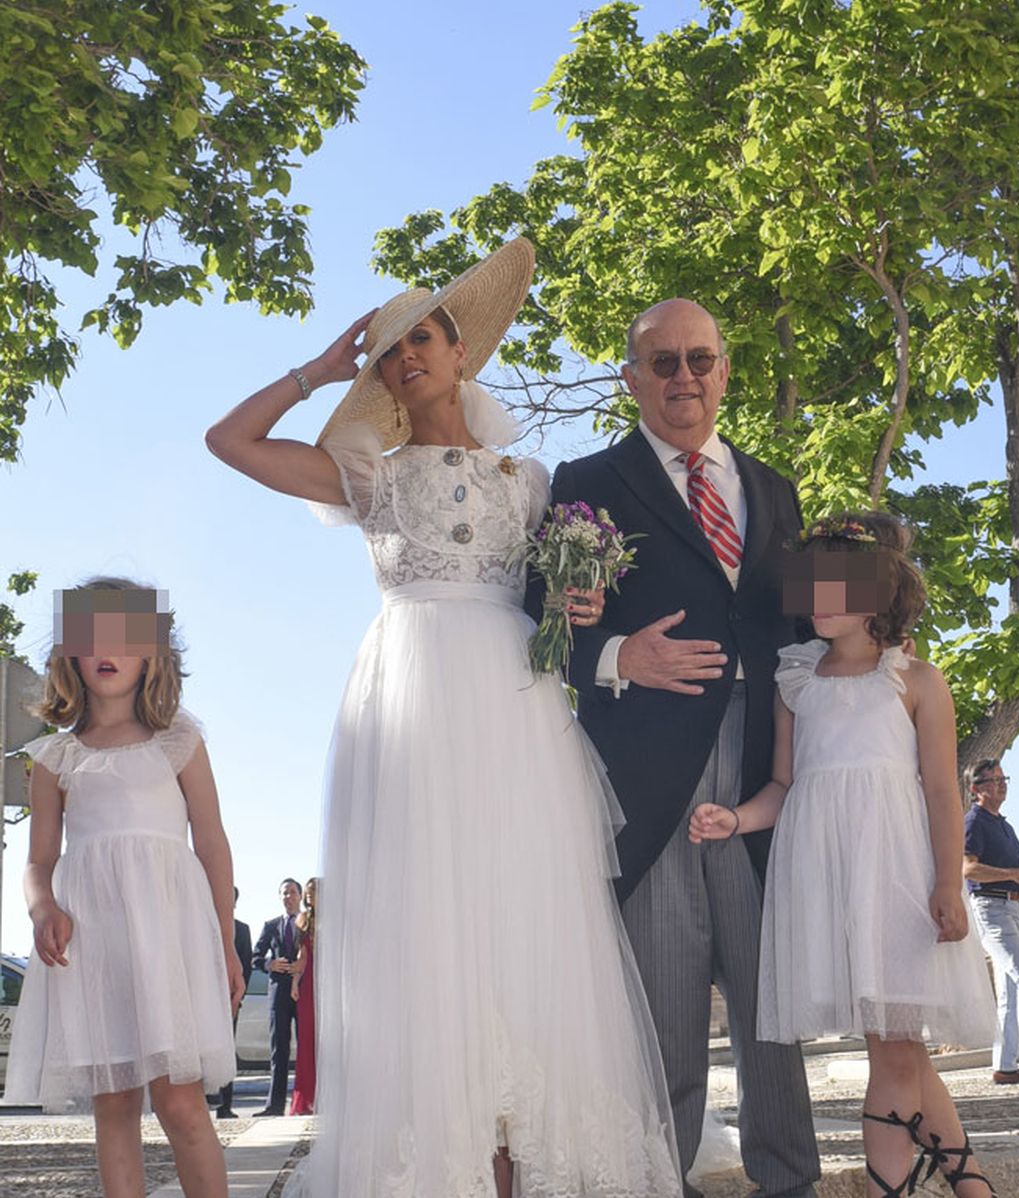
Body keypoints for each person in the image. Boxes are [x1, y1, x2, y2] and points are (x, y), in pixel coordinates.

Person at [206, 237, 682, 1198]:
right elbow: (231, 442)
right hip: (412, 704)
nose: (406, 355)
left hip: (515, 708)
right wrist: (316, 372)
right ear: (380, 375)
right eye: (389, 350)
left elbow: (558, 607)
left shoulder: (531, 481)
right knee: (430, 918)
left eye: (420, 337)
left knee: (526, 911)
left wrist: (583, 606)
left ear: (462, 352)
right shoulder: (367, 474)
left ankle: (534, 1156)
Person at [541, 298, 818, 1198]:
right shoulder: (586, 479)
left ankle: (791, 1180)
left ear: (725, 371)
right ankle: (663, 1180)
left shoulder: (774, 488)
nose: (684, 376)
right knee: (665, 1003)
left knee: (771, 996)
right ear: (631, 379)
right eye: (662, 362)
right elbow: (539, 619)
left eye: (700, 358)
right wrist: (620, 655)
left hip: (765, 767)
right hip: (650, 772)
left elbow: (805, 623)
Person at [690, 512, 997, 1198]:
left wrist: (947, 885)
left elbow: (942, 793)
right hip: (825, 882)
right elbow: (784, 785)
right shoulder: (797, 680)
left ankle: (894, 1187)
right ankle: (973, 1186)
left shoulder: (917, 680)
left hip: (896, 881)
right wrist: (734, 819)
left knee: (895, 1050)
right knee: (898, 1049)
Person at [5, 578, 245, 1198]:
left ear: (152, 654)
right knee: (113, 1106)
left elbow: (212, 844)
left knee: (180, 1101)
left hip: (168, 942)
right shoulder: (55, 759)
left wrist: (224, 943)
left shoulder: (179, 741)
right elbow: (38, 862)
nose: (106, 650)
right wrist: (43, 908)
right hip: (94, 947)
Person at [963, 759, 1019, 1085]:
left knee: (1010, 989)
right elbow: (968, 869)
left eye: (1004, 778)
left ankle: (1006, 1066)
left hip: (1014, 908)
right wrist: (1013, 873)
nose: (1002, 785)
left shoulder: (1005, 826)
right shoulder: (974, 821)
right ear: (976, 789)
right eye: (994, 780)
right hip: (992, 908)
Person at [251, 878, 302, 1116]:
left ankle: (305, 1102)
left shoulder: (309, 923)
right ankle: (274, 1105)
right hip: (278, 993)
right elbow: (255, 957)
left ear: (300, 896)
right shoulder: (271, 925)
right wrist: (269, 964)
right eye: (284, 893)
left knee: (306, 1048)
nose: (288, 896)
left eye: (292, 892)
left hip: (303, 992)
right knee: (278, 1049)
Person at [213, 887, 253, 1118]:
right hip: (205, 1001)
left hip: (231, 1002)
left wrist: (238, 999)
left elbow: (246, 966)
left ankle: (225, 1106)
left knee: (227, 1051)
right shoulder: (203, 927)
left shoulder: (242, 930)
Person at [289, 877, 318, 1115]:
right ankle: (307, 1099)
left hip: (330, 982)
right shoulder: (304, 920)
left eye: (313, 892)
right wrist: (295, 982)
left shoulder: (337, 919)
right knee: (307, 1039)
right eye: (308, 893)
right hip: (309, 984)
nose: (309, 896)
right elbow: (302, 956)